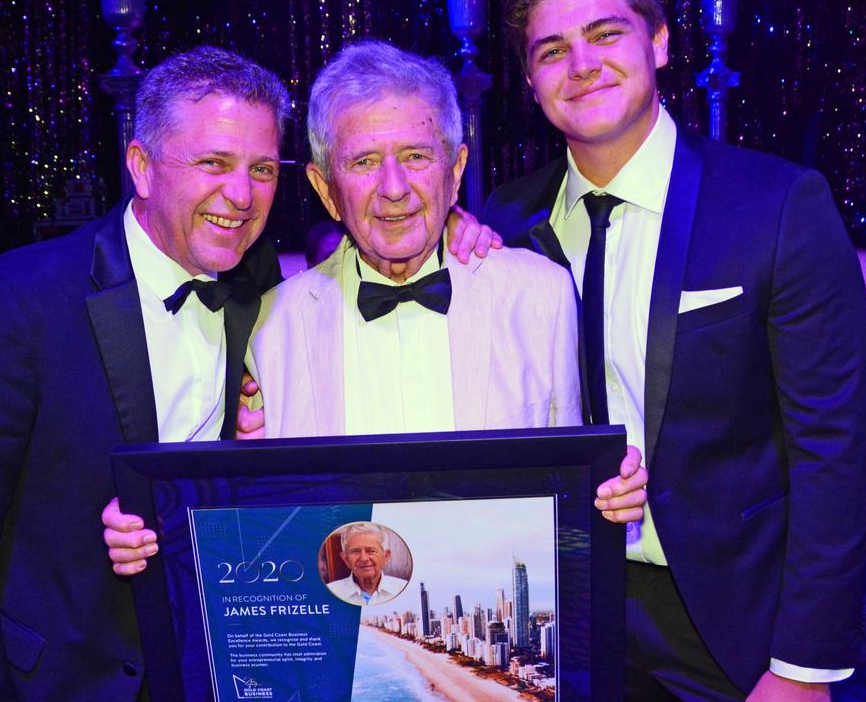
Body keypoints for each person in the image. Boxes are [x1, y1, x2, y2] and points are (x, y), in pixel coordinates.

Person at [482, 0, 866, 700]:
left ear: (659, 42)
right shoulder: (506, 218)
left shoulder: (775, 205)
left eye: (605, 35)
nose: (582, 64)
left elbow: (838, 448)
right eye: (552, 50)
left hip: (731, 620)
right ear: (531, 82)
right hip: (560, 615)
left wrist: (803, 665)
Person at [104, 41, 647, 572]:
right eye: (364, 161)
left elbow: (569, 504)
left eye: (416, 156)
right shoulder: (271, 322)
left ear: (454, 171)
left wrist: (608, 495)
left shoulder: (542, 297)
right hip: (333, 639)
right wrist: (152, 517)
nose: (394, 188)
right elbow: (247, 514)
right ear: (326, 189)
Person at [0, 46, 292, 702]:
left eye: (262, 168)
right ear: (141, 166)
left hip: (204, 667)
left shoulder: (257, 285)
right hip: (56, 680)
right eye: (213, 163)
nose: (242, 194)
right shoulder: (16, 299)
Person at [325, 523, 408, 606]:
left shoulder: (404, 589)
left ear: (386, 556)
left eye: (371, 551)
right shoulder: (329, 592)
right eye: (355, 551)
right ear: (345, 559)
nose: (363, 558)